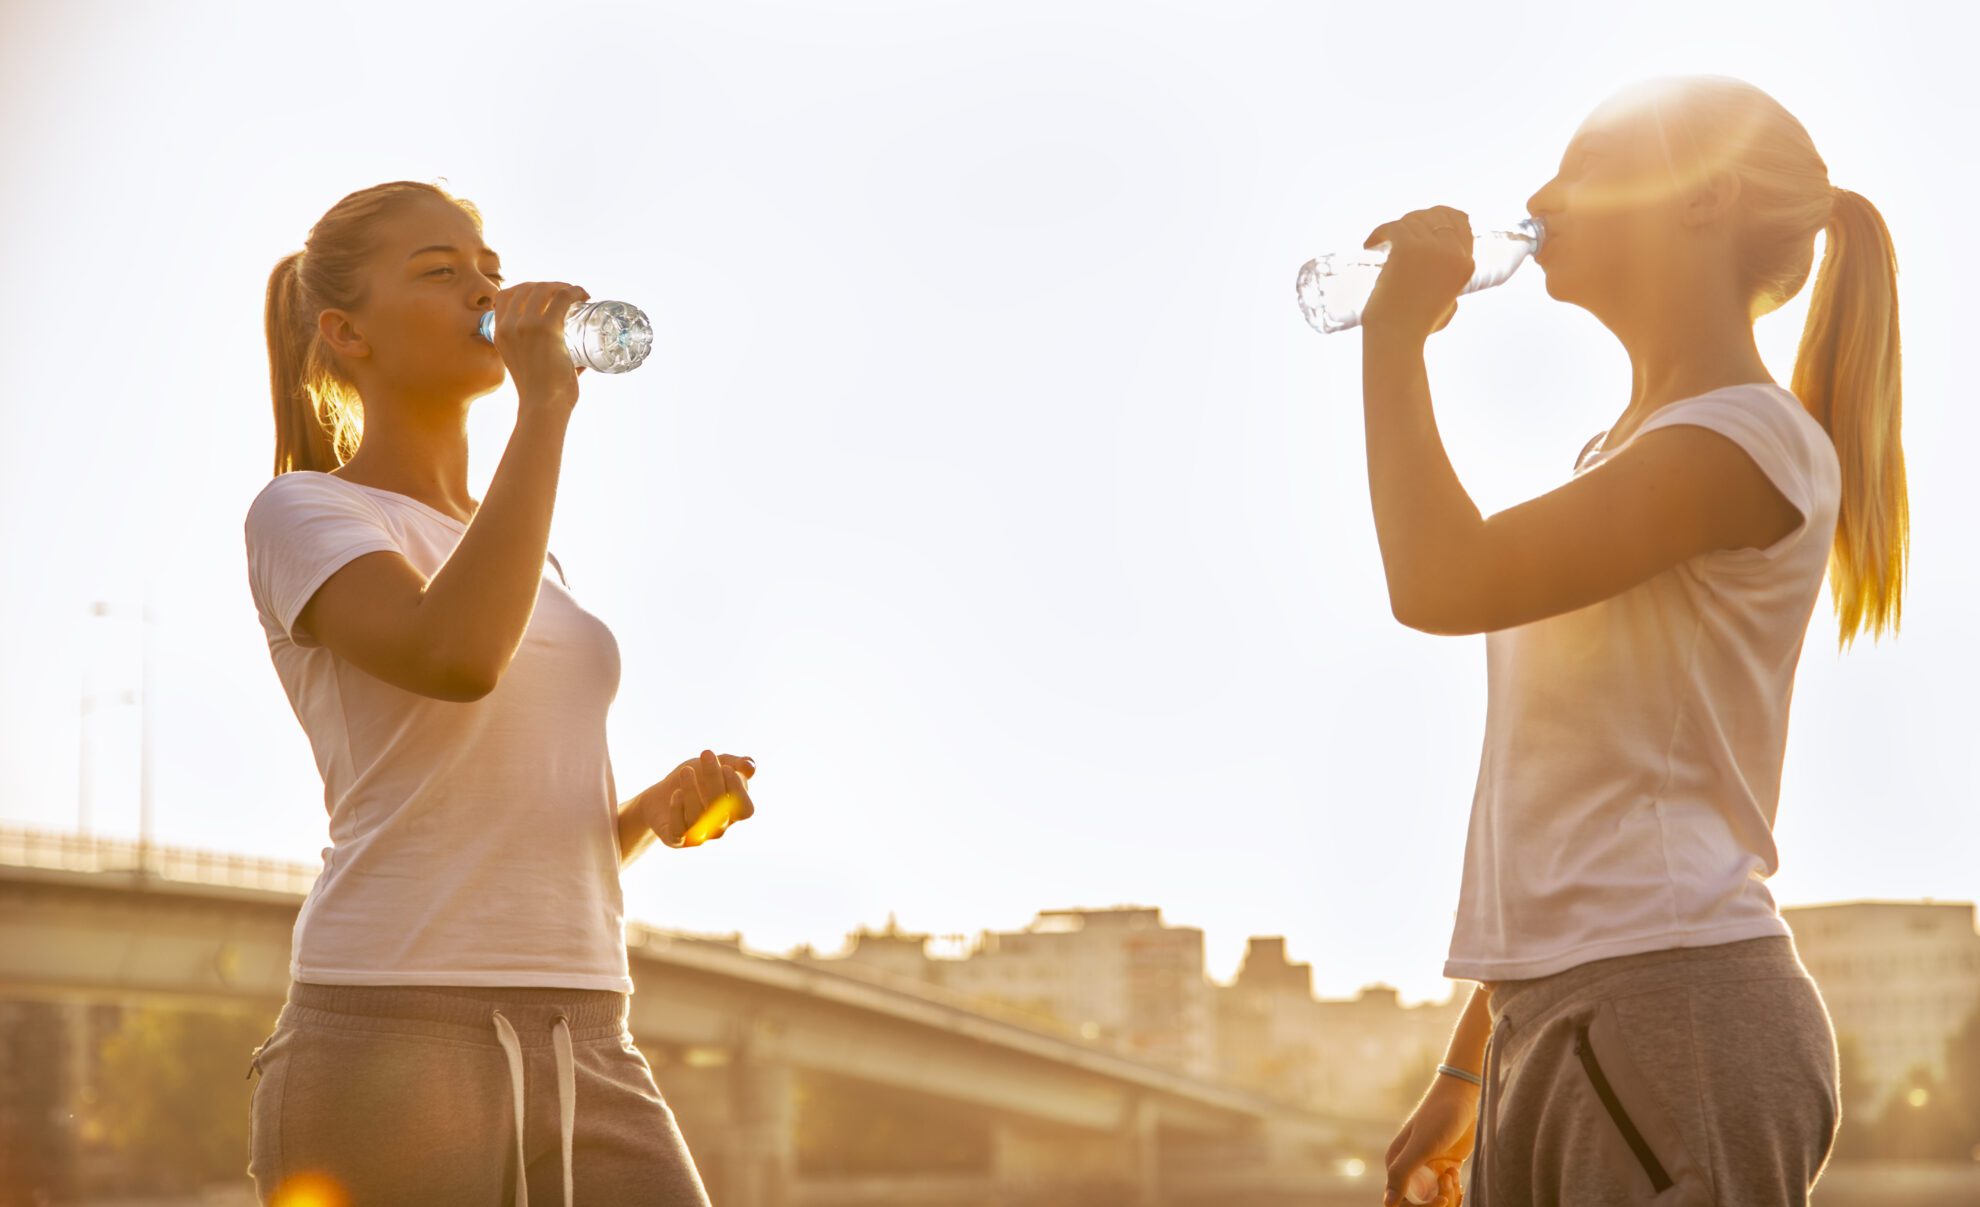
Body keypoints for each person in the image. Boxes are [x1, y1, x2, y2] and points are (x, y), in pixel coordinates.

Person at [1361, 76, 1901, 1207]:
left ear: (1704, 199)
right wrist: (1473, 1061)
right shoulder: (1624, 453)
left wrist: (1392, 338)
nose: (1541, 194)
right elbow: (1584, 808)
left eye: (1584, 166)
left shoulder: (1738, 446)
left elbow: (1439, 578)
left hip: (1671, 1021)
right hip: (1576, 1014)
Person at [241, 180, 753, 1206]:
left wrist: (646, 816)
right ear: (347, 333)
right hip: (394, 1032)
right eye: (442, 272)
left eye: (490, 270)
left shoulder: (528, 557)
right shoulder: (304, 512)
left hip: (590, 1027)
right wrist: (548, 409)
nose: (486, 288)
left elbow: (494, 825)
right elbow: (457, 656)